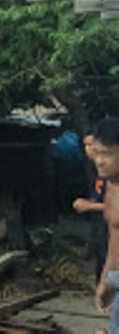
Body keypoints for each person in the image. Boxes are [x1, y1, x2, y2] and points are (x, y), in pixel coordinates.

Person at [93, 118, 119, 331]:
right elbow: (114, 239)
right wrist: (105, 279)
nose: (100, 161)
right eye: (97, 153)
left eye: (107, 154)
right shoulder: (110, 188)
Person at [72, 130, 108, 283]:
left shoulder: (112, 170)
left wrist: (89, 206)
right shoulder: (94, 168)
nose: (88, 149)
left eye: (92, 145)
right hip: (101, 231)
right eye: (85, 145)